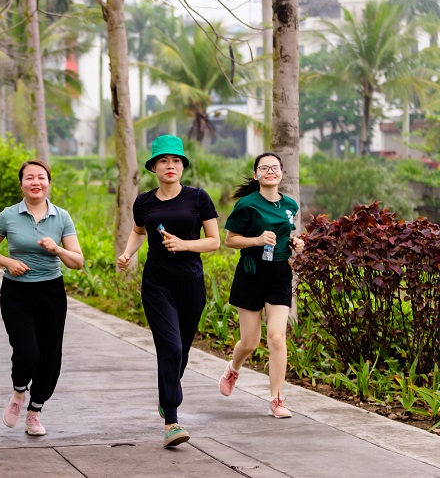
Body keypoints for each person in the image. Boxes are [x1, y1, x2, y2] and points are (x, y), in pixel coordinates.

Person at [116, 135, 220, 449]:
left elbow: (214, 241)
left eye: (176, 161)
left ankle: (167, 394)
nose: (170, 166)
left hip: (190, 284)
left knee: (183, 351)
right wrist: (128, 253)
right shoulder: (144, 201)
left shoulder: (198, 198)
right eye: (163, 161)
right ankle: (171, 421)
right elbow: (138, 231)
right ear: (154, 167)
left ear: (183, 166)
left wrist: (185, 244)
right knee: (170, 349)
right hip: (157, 285)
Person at [0, 160, 83, 437]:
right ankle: (18, 391)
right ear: (21, 184)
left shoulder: (61, 217)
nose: (35, 182)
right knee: (27, 351)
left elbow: (78, 261)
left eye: (41, 177)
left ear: (48, 183)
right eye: (29, 178)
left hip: (51, 292)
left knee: (51, 356)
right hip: (16, 293)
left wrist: (57, 249)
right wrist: (8, 262)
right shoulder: (8, 216)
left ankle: (34, 412)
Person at [219, 152, 305, 418]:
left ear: (281, 173)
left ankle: (277, 399)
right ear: (256, 174)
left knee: (277, 336)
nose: (270, 171)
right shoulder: (247, 204)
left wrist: (295, 243)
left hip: (279, 272)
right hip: (251, 272)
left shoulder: (290, 205)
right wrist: (256, 240)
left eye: (275, 167)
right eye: (264, 167)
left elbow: (286, 234)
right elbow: (230, 240)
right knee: (250, 341)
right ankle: (233, 368)